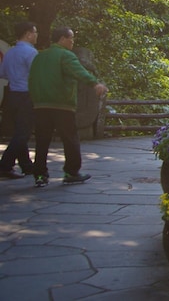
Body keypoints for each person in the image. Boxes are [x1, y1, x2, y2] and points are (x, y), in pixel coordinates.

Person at [29, 26, 108, 187]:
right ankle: (71, 172)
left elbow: (31, 79)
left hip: (40, 104)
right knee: (70, 138)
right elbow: (79, 72)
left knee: (42, 140)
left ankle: (40, 174)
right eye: (71, 38)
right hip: (61, 104)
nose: (72, 41)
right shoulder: (66, 56)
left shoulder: (39, 56)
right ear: (62, 39)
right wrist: (95, 84)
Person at [0, 22, 38, 179]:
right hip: (25, 94)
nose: (36, 35)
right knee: (23, 132)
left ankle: (27, 166)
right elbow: (36, 74)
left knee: (19, 131)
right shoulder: (30, 52)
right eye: (35, 32)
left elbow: (3, 73)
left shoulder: (10, 52)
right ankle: (5, 165)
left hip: (12, 94)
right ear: (28, 34)